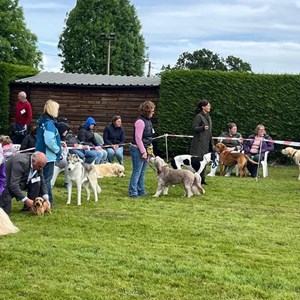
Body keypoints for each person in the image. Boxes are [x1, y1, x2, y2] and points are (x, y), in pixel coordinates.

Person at [35, 100, 62, 206]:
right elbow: (49, 140)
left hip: (40, 153)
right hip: (48, 156)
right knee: (46, 179)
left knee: (42, 178)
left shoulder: (42, 122)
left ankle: (41, 199)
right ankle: (48, 201)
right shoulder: (49, 124)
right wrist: (57, 149)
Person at [128, 100, 155, 198]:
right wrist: (143, 151)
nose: (153, 112)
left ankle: (141, 190)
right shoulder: (140, 122)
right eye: (152, 110)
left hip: (146, 148)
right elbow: (138, 138)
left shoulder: (148, 121)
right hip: (137, 149)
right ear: (147, 110)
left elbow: (148, 137)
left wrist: (150, 150)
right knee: (137, 171)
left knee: (142, 172)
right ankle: (133, 191)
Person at [189, 99, 214, 185]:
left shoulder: (209, 117)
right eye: (208, 106)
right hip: (198, 143)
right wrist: (202, 128)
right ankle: (194, 179)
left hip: (206, 143)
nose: (209, 107)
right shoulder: (199, 116)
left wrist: (212, 144)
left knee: (204, 161)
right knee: (197, 161)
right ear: (203, 107)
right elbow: (194, 128)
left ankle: (202, 179)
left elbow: (210, 132)